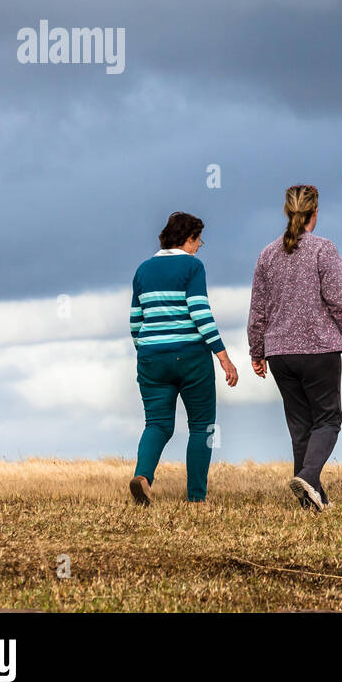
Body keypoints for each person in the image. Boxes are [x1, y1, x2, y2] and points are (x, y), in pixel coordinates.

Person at [247, 184, 342, 512]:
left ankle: (313, 501)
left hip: (280, 355)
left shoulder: (267, 255)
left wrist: (256, 351)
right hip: (319, 350)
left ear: (288, 213)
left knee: (300, 426)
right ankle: (307, 475)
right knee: (329, 419)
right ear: (314, 214)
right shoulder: (323, 249)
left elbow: (258, 310)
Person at [128, 212, 239, 505]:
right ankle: (196, 498)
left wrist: (147, 352)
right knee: (202, 427)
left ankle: (143, 477)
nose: (200, 245)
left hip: (151, 357)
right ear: (187, 238)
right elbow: (200, 314)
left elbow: (135, 323)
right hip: (191, 357)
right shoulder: (192, 266)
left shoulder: (142, 270)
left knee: (157, 424)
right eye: (198, 239)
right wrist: (223, 357)